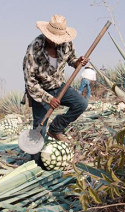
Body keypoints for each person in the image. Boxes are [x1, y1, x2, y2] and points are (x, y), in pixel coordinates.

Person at [23, 14, 89, 145]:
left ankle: (56, 129)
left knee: (81, 103)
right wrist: (48, 99)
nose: (56, 42)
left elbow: (71, 59)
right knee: (39, 128)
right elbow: (30, 82)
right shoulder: (34, 48)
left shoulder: (67, 43)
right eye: (53, 39)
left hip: (60, 87)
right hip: (41, 91)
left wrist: (78, 62)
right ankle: (36, 158)